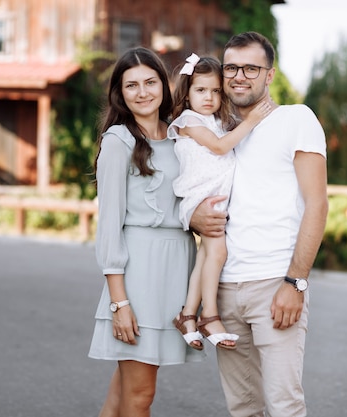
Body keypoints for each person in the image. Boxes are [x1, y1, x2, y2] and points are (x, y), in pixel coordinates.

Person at [190, 32, 329, 417]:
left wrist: (295, 281)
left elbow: (317, 203)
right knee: (243, 408)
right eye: (232, 67)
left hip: (274, 284)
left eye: (251, 68)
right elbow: (191, 191)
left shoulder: (295, 119)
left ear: (269, 75)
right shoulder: (218, 132)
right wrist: (193, 217)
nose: (239, 76)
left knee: (284, 405)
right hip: (224, 289)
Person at [88, 46, 204, 417]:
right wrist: (119, 303)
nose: (142, 92)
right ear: (119, 94)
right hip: (138, 276)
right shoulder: (118, 142)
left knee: (123, 395)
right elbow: (108, 228)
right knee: (140, 396)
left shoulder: (180, 134)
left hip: (176, 271)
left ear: (164, 85)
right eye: (131, 85)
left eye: (150, 82)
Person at [167, 53, 271, 351]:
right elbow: (220, 146)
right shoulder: (188, 121)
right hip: (200, 199)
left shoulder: (216, 121)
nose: (209, 97)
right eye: (201, 90)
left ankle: (187, 315)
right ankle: (209, 316)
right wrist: (251, 120)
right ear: (187, 93)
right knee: (218, 253)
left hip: (212, 199)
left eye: (215, 91)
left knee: (206, 256)